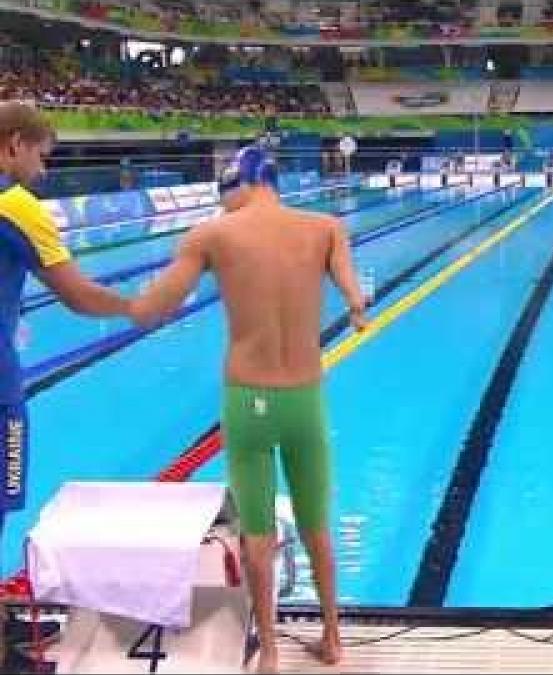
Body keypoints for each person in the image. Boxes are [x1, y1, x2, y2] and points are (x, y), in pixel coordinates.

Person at [129, 146, 367, 674]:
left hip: (248, 400)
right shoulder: (325, 226)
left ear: (239, 183)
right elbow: (351, 284)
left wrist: (108, 300)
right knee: (317, 526)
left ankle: (273, 654)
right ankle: (333, 639)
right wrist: (354, 305)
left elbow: (153, 306)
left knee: (257, 533)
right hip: (304, 397)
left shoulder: (213, 234)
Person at [0, 101, 131, 663]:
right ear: (13, 144)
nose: (43, 170)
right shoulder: (16, 205)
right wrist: (142, 304)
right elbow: (78, 295)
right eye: (40, 155)